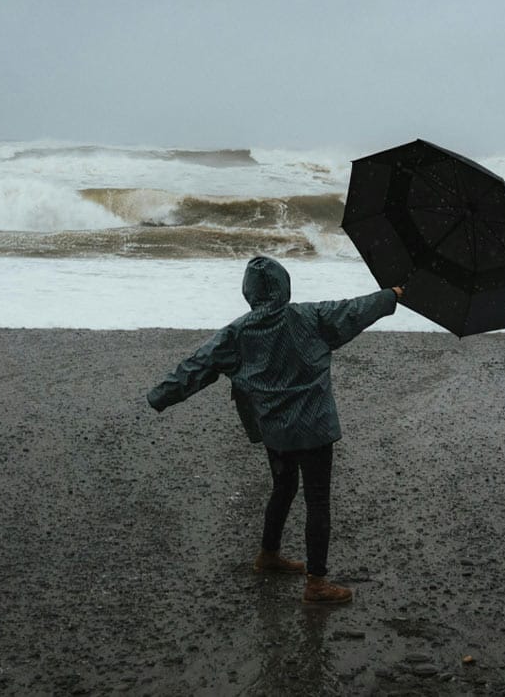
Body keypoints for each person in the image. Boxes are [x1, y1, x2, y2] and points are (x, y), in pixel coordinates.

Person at [146, 256, 402, 604]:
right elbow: (356, 310)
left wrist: (161, 395)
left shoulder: (237, 332)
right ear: (285, 285)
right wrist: (391, 295)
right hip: (314, 429)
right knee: (317, 501)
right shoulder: (311, 317)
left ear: (248, 293)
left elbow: (196, 366)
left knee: (283, 487)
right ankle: (317, 583)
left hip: (276, 430)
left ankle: (268, 555)